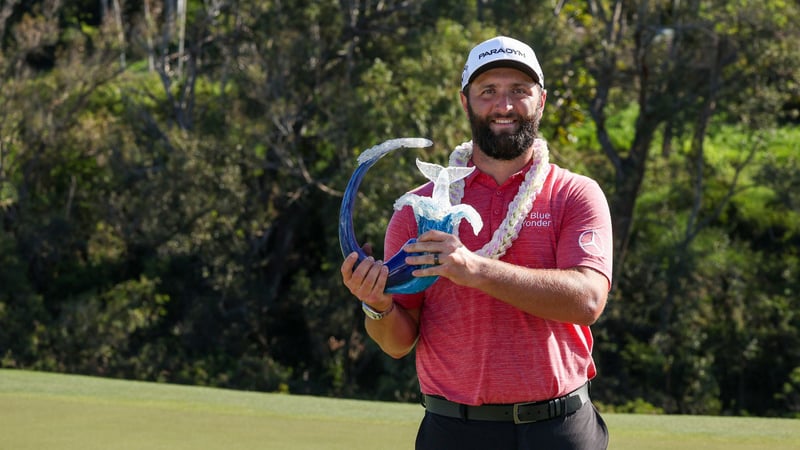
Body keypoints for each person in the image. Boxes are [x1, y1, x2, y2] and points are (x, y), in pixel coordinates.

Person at [341, 35, 612, 450]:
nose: (503, 106)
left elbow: (587, 301)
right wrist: (376, 305)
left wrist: (474, 269)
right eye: (488, 92)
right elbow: (398, 343)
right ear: (465, 102)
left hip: (558, 428)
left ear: (541, 100)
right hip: (454, 429)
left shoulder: (574, 194)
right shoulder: (418, 208)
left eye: (519, 91)